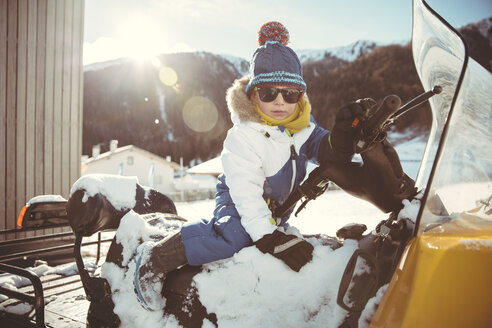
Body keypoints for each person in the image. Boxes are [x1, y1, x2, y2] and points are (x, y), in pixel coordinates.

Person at [133, 21, 415, 311]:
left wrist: (343, 136)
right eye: (269, 93)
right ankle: (157, 258)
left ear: (300, 97)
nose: (280, 101)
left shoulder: (301, 127)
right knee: (234, 237)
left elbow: (327, 153)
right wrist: (267, 236)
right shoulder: (244, 137)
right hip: (239, 198)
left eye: (290, 94)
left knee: (270, 230)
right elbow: (245, 195)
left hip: (275, 205)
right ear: (253, 95)